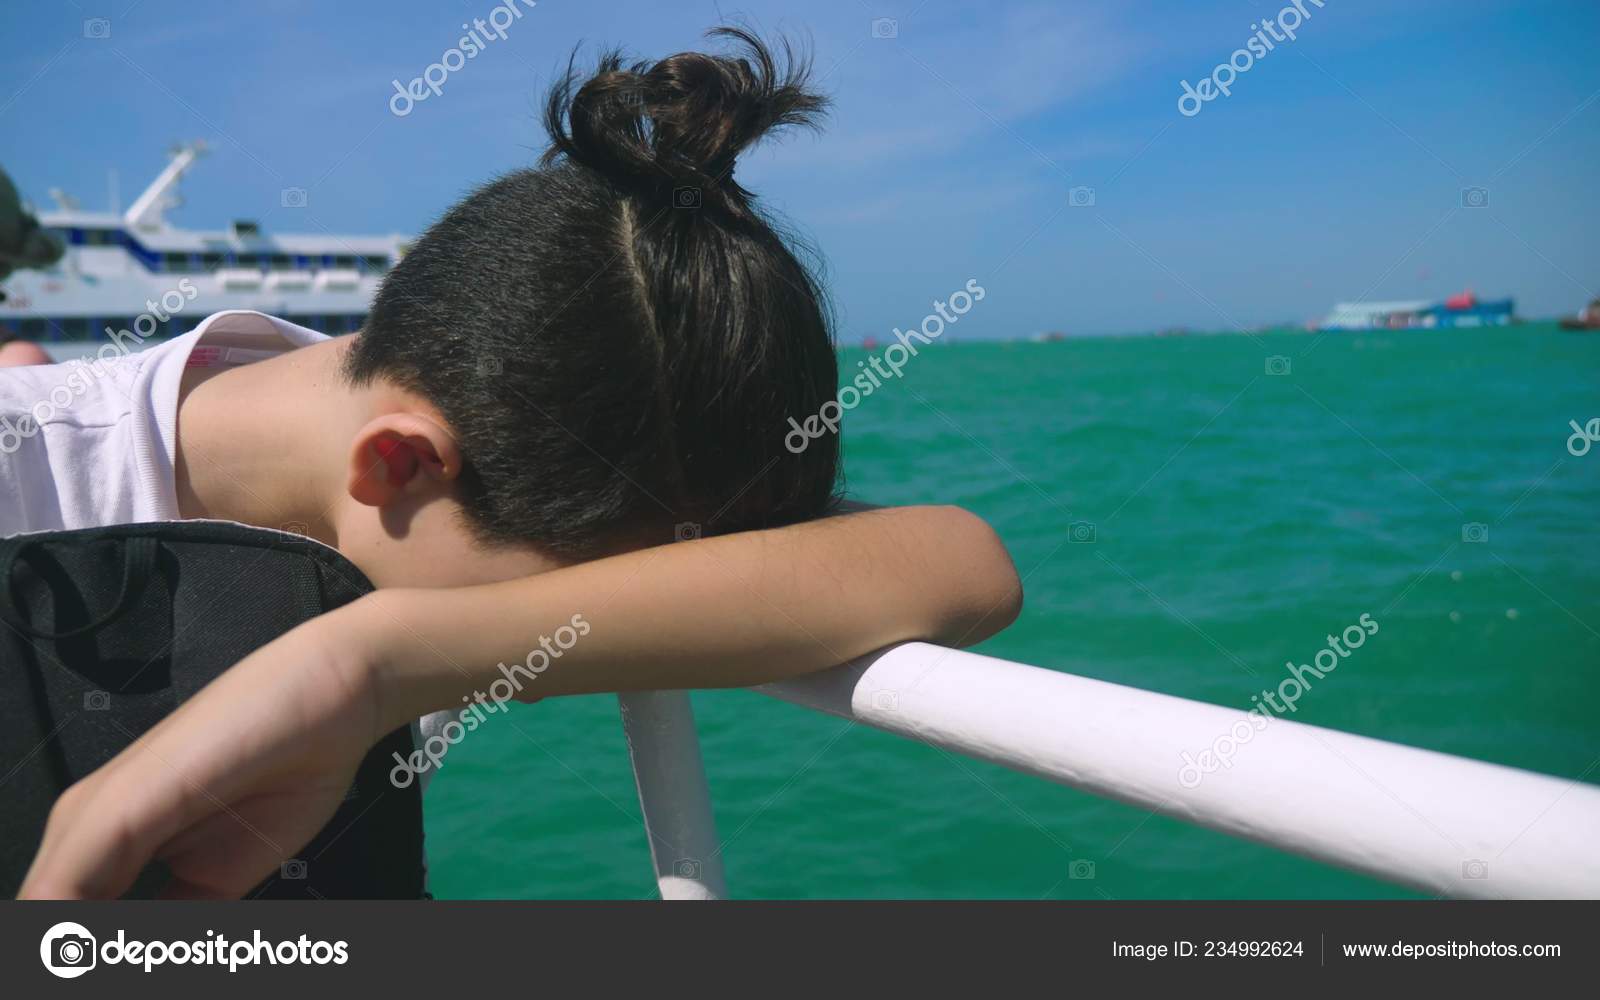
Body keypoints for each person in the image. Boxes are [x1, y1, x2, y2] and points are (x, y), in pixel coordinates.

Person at [9, 29, 1022, 899]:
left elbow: (962, 563)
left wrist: (370, 659)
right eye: (561, 596)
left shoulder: (409, 408)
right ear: (399, 465)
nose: (542, 664)